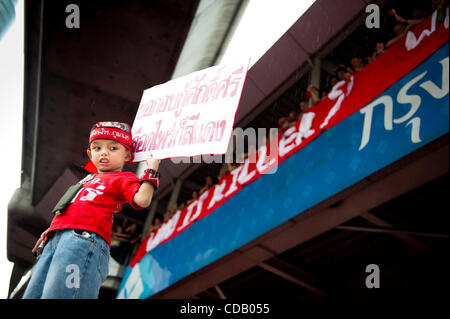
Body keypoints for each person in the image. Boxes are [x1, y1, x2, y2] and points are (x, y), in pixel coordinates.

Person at [23, 121, 161, 299]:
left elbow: (142, 200)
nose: (104, 152)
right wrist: (53, 230)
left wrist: (152, 170)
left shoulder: (124, 178)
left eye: (113, 148)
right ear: (90, 153)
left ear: (127, 155)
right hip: (56, 240)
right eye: (97, 148)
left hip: (82, 240)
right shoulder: (87, 178)